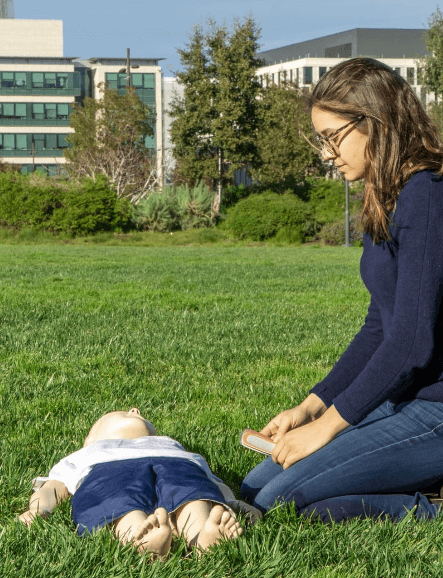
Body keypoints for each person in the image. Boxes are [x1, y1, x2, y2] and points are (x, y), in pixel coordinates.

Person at [241, 57, 443, 517]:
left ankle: (432, 502)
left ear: (376, 122)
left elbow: (412, 345)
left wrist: (329, 426)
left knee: (278, 501)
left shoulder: (429, 193)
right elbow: (379, 327)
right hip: (405, 400)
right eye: (321, 139)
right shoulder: (385, 195)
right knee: (256, 483)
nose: (327, 153)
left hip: (436, 410)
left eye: (333, 137)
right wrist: (310, 408)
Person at [19, 408, 258, 557]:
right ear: (89, 439)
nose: (135, 410)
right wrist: (37, 510)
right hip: (110, 470)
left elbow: (208, 482)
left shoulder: (173, 446)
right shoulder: (88, 454)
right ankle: (137, 535)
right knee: (117, 498)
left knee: (193, 493)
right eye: (123, 413)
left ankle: (202, 535)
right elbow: (53, 486)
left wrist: (232, 501)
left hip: (175, 465)